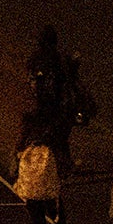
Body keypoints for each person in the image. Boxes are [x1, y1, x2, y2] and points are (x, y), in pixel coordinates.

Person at [14, 112, 70, 224]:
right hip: (50, 193)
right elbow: (65, 164)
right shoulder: (53, 142)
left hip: (31, 193)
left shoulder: (25, 143)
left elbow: (15, 162)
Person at [27, 27, 83, 172]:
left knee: (56, 134)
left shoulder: (40, 58)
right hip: (50, 103)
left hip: (46, 102)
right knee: (57, 133)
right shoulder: (52, 59)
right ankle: (58, 165)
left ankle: (63, 164)